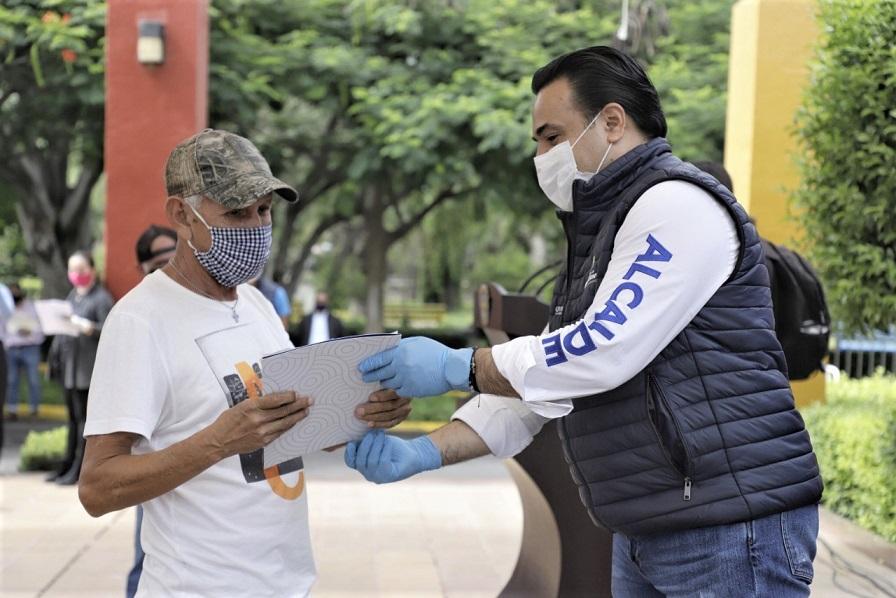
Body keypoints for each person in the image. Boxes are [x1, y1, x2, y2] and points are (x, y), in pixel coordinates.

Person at [347, 46, 823, 597]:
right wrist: (424, 451)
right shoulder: (602, 232)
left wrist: (459, 366)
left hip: (728, 531)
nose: (542, 155)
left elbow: (597, 352)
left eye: (553, 136)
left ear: (613, 121)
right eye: (539, 143)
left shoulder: (675, 205)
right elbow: (546, 378)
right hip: (648, 527)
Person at [78, 129, 411, 597]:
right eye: (236, 212)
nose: (256, 226)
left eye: (264, 210)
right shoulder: (139, 321)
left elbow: (289, 427)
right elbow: (96, 487)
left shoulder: (255, 305)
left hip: (285, 583)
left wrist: (360, 414)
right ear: (181, 214)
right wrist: (216, 443)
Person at [125, 223, 178, 597]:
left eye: (176, 257)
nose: (170, 267)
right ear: (143, 268)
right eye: (160, 262)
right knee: (148, 559)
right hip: (159, 465)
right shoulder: (135, 321)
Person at [47, 251, 113, 485]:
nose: (77, 275)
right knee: (72, 420)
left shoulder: (101, 298)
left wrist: (89, 328)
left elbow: (110, 330)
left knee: (85, 422)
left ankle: (79, 469)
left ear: (92, 271)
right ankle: (66, 464)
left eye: (81, 269)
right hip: (70, 367)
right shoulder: (72, 297)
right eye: (73, 270)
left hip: (88, 369)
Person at [3, 283, 45, 418]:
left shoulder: (31, 307)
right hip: (11, 349)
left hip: (30, 348)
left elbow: (40, 327)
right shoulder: (6, 308)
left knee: (33, 380)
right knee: (11, 380)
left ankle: (34, 409)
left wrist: (29, 332)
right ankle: (12, 409)